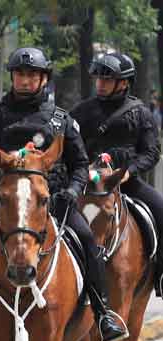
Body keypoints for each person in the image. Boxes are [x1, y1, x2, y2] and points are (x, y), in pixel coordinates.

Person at [0, 47, 128, 341]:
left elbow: (79, 164)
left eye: (31, 75)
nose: (25, 80)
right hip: (1, 201)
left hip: (51, 202)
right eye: (20, 75)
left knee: (89, 242)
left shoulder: (60, 119)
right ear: (13, 77)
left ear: (43, 79)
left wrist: (73, 191)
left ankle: (103, 314)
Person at [70, 52, 163, 296]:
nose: (100, 84)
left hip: (127, 183)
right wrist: (85, 169)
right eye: (98, 79)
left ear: (123, 83)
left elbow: (152, 152)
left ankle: (161, 274)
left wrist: (128, 173)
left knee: (161, 208)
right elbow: (69, 147)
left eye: (106, 80)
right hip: (90, 184)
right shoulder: (81, 112)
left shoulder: (141, 113)